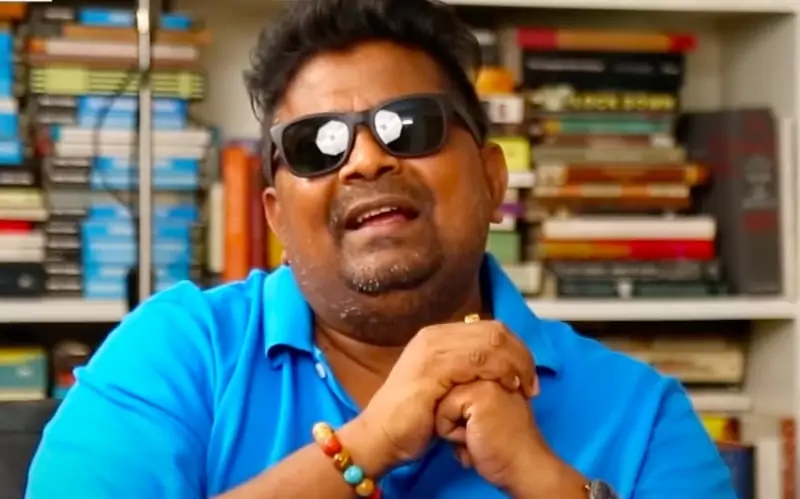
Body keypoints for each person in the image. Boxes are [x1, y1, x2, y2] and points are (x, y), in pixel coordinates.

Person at [25, 0, 737, 498]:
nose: (366, 160)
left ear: (493, 179)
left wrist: (544, 481)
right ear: (275, 214)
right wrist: (369, 444)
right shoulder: (174, 353)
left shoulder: (642, 416)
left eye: (411, 126)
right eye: (317, 145)